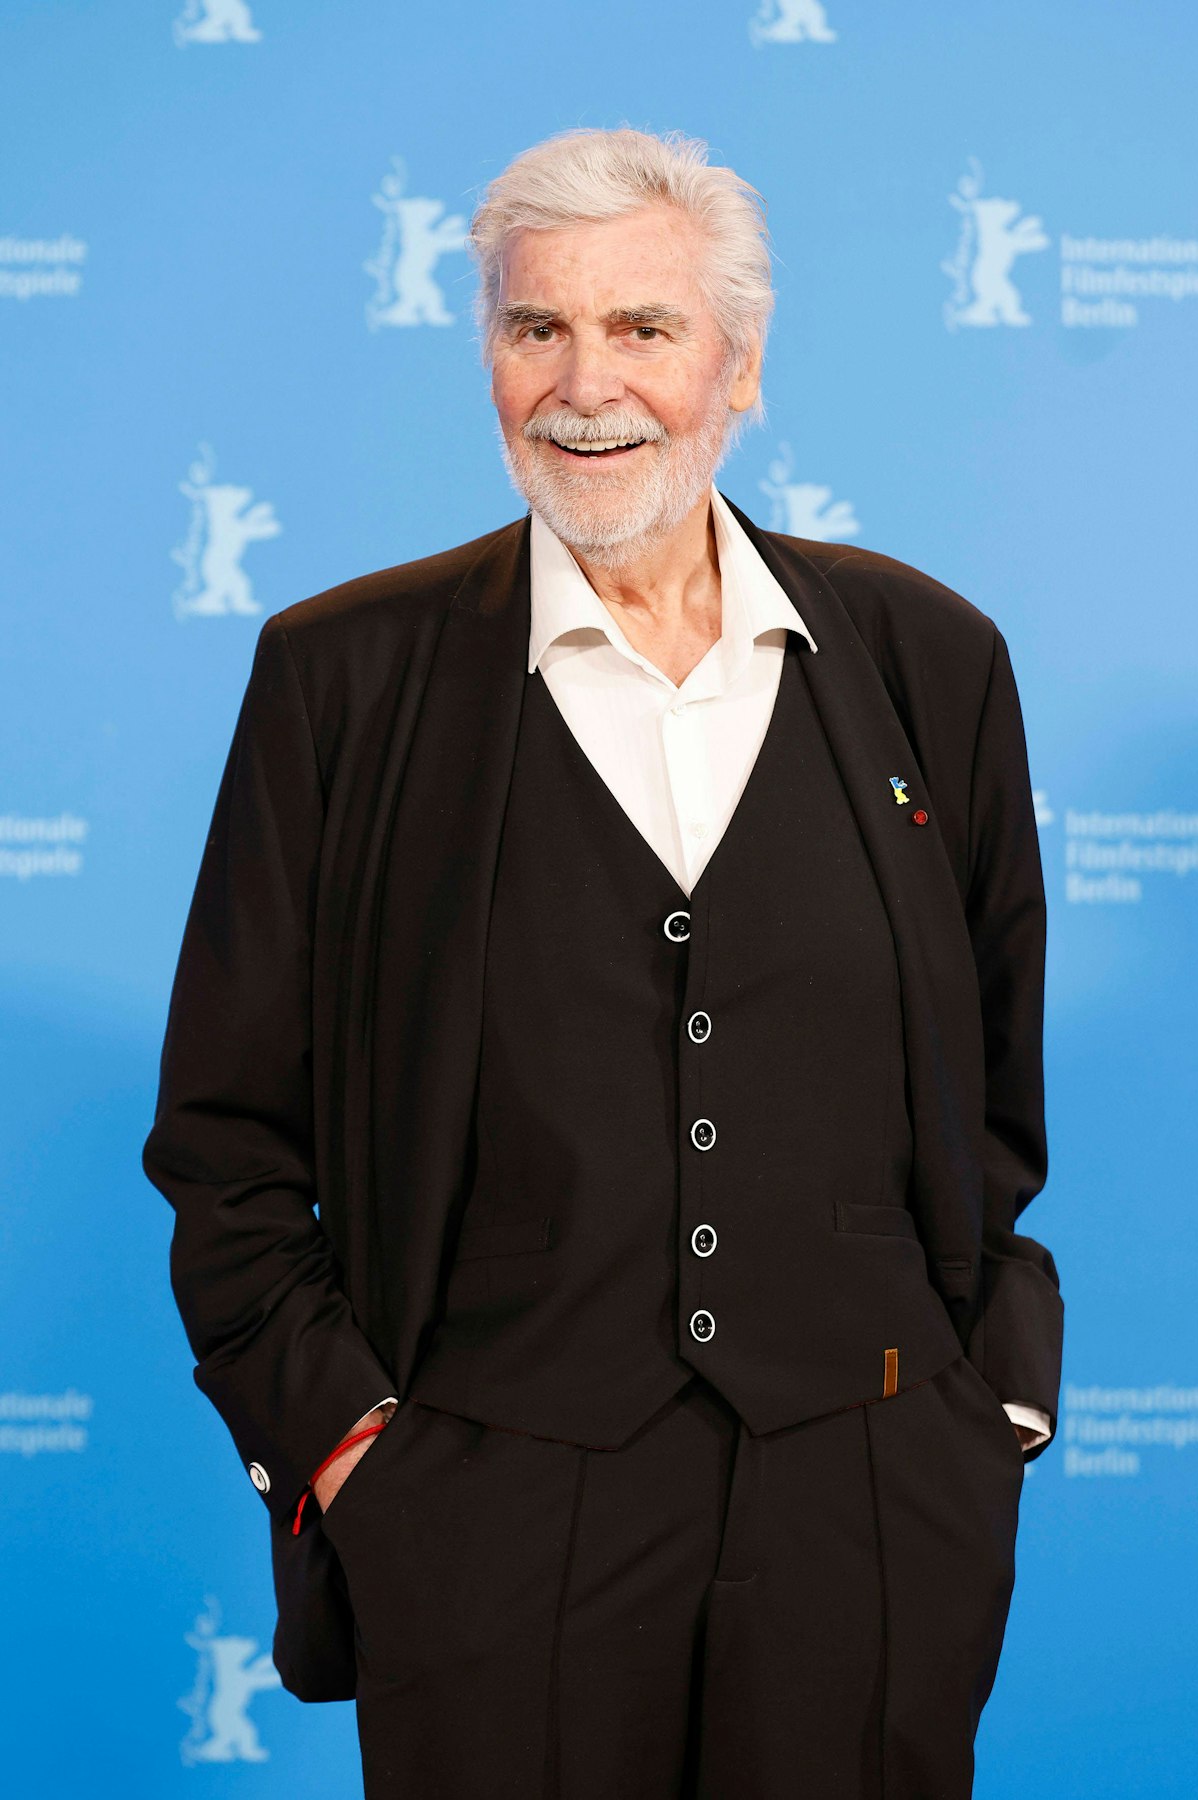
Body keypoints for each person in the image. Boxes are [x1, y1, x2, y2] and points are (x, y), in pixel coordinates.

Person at [142, 126, 1064, 1798]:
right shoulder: (340, 680)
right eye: (536, 328)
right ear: (489, 356)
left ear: (739, 365)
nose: (587, 383)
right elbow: (224, 1142)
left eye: (644, 326)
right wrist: (353, 1449)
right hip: (488, 1519)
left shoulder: (931, 661)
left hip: (870, 1508)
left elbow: (994, 1097)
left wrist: (985, 1411)